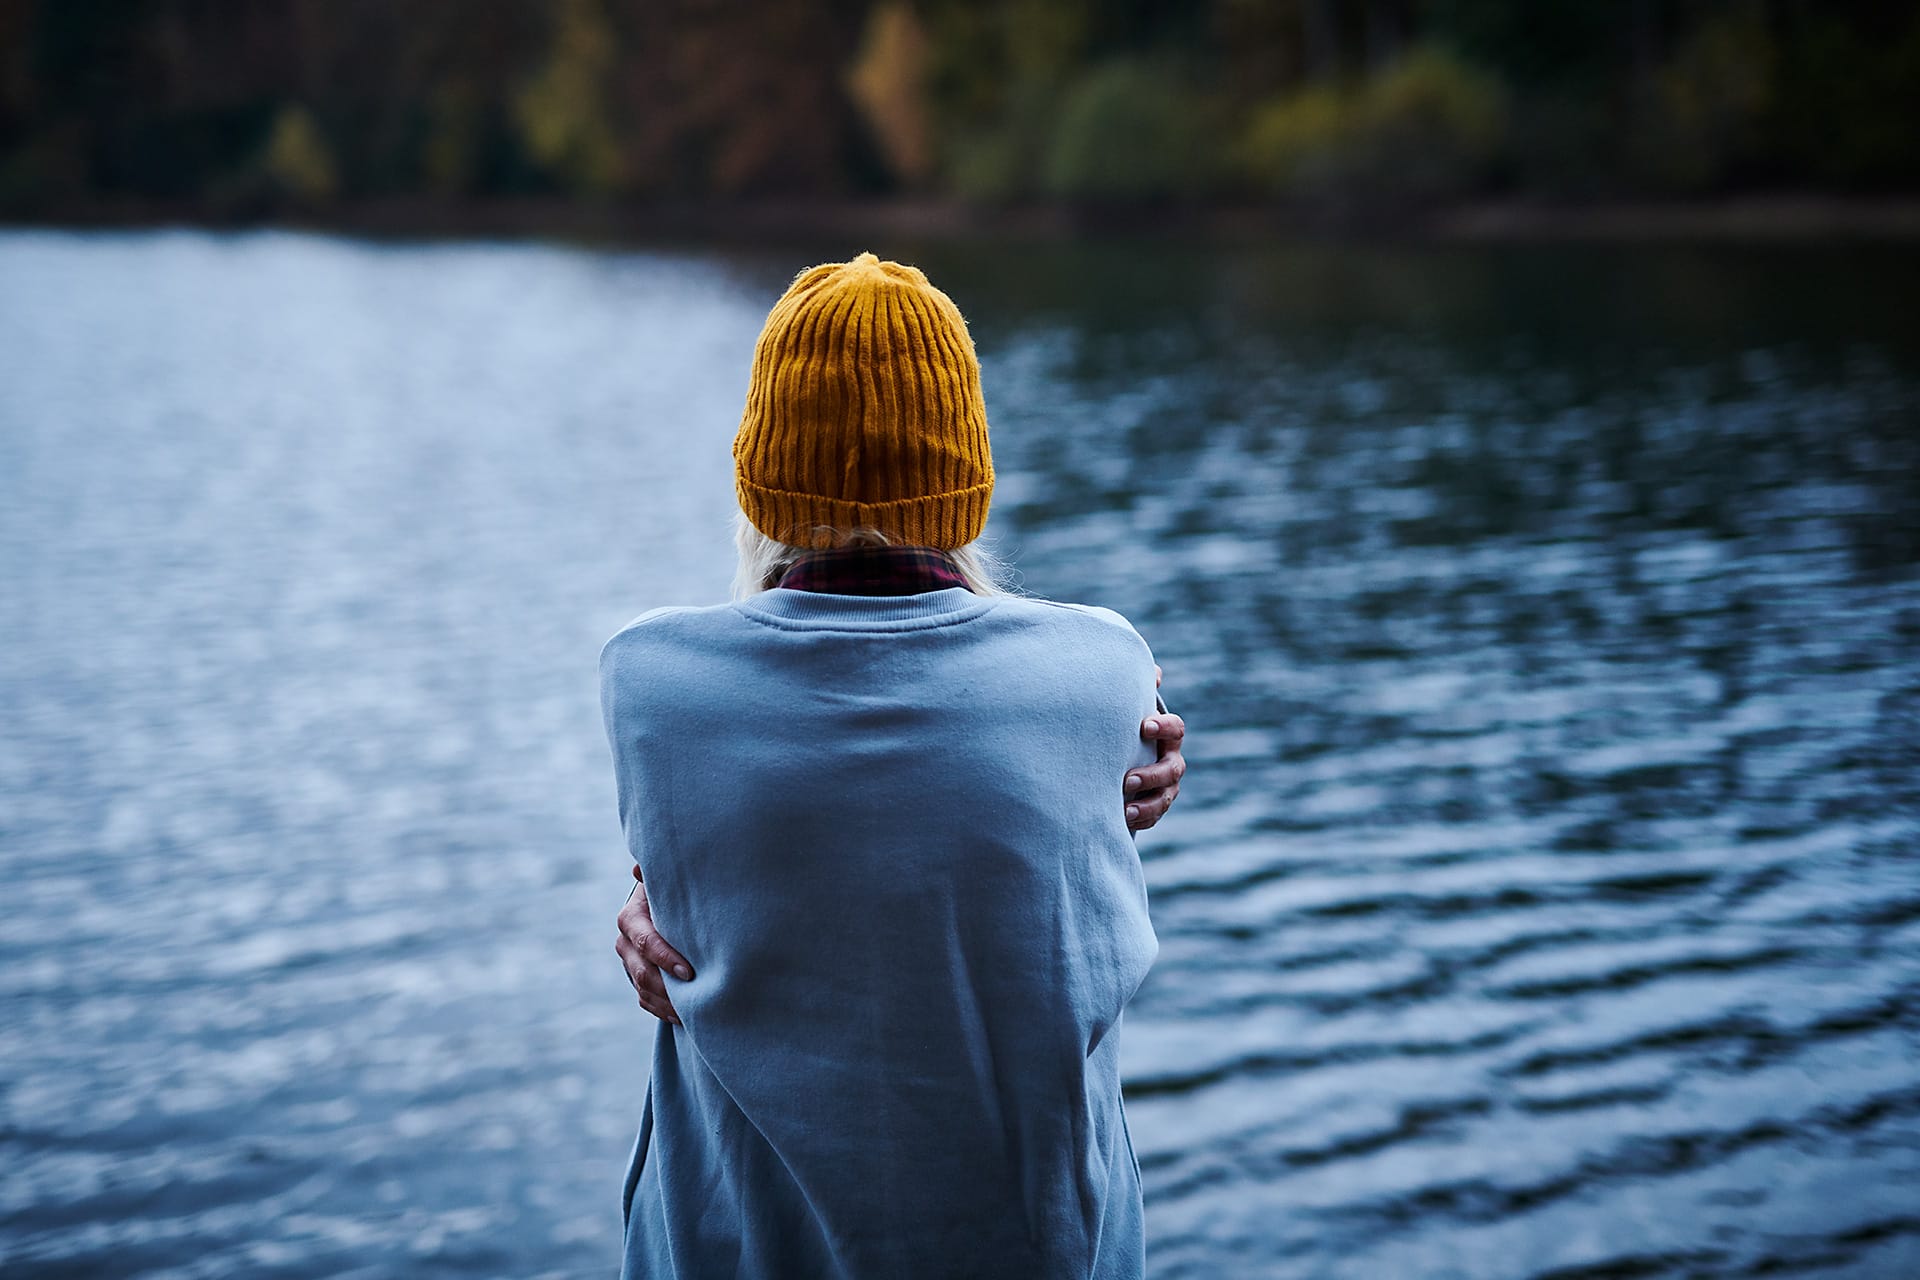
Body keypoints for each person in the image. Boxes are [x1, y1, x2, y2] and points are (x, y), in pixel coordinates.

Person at [599, 252, 1181, 1279]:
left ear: (761, 474)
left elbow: (716, 868)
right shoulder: (1105, 667)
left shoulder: (650, 679)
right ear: (965, 470)